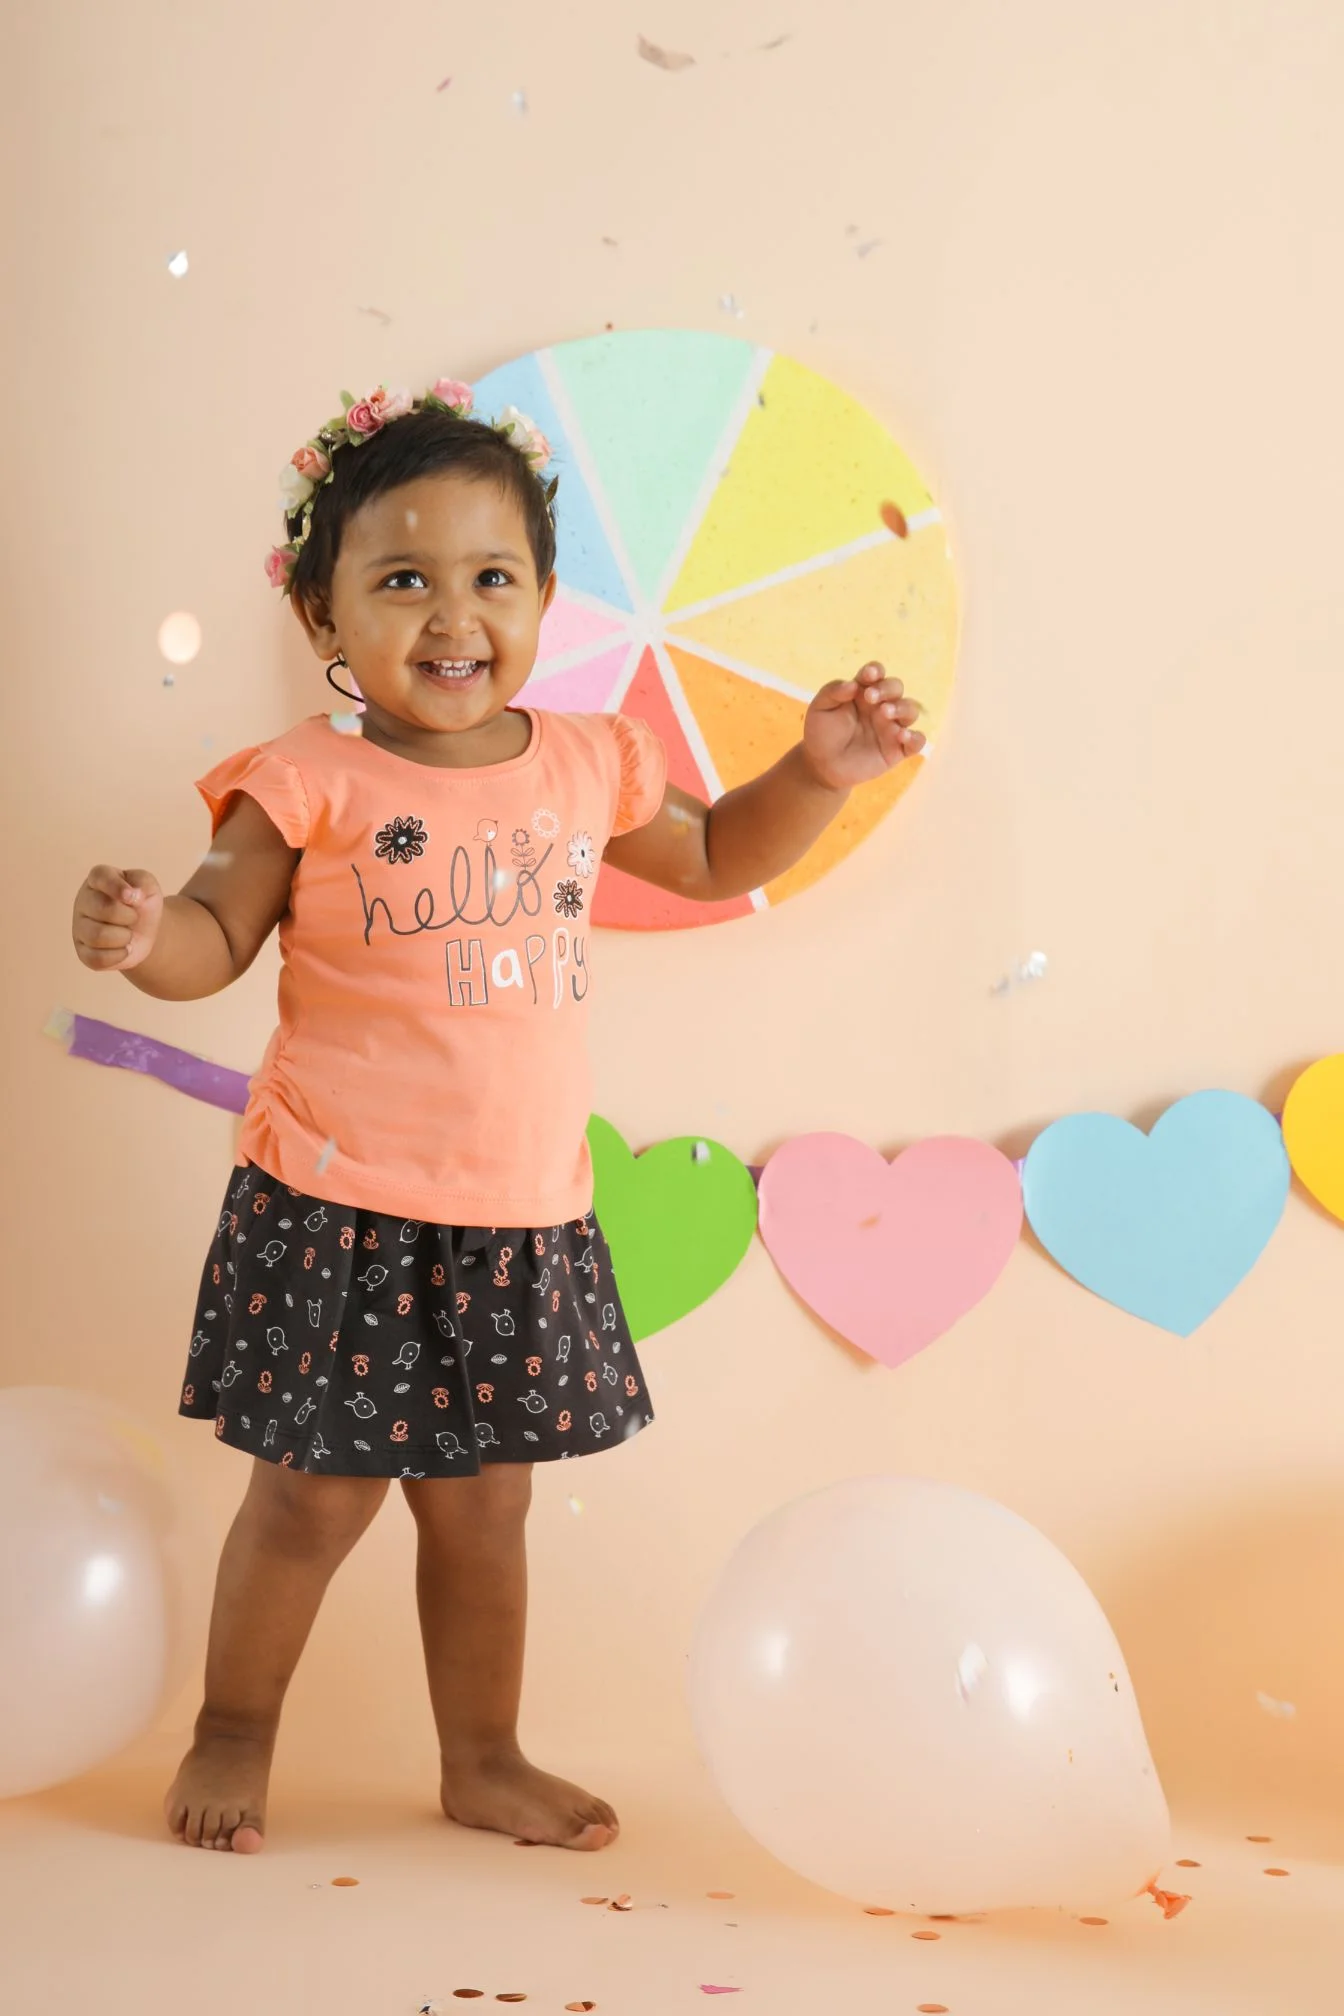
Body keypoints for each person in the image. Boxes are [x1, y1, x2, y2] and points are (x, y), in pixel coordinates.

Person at [70, 375, 926, 1858]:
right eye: (402, 581)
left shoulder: (590, 759)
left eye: (491, 578)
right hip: (341, 1203)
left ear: (541, 599)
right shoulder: (305, 781)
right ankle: (235, 1729)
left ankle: (483, 1755)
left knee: (482, 1512)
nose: (451, 615)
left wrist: (814, 771)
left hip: (514, 1214)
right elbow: (214, 936)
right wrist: (147, 938)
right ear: (325, 617)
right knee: (310, 1503)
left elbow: (718, 856)